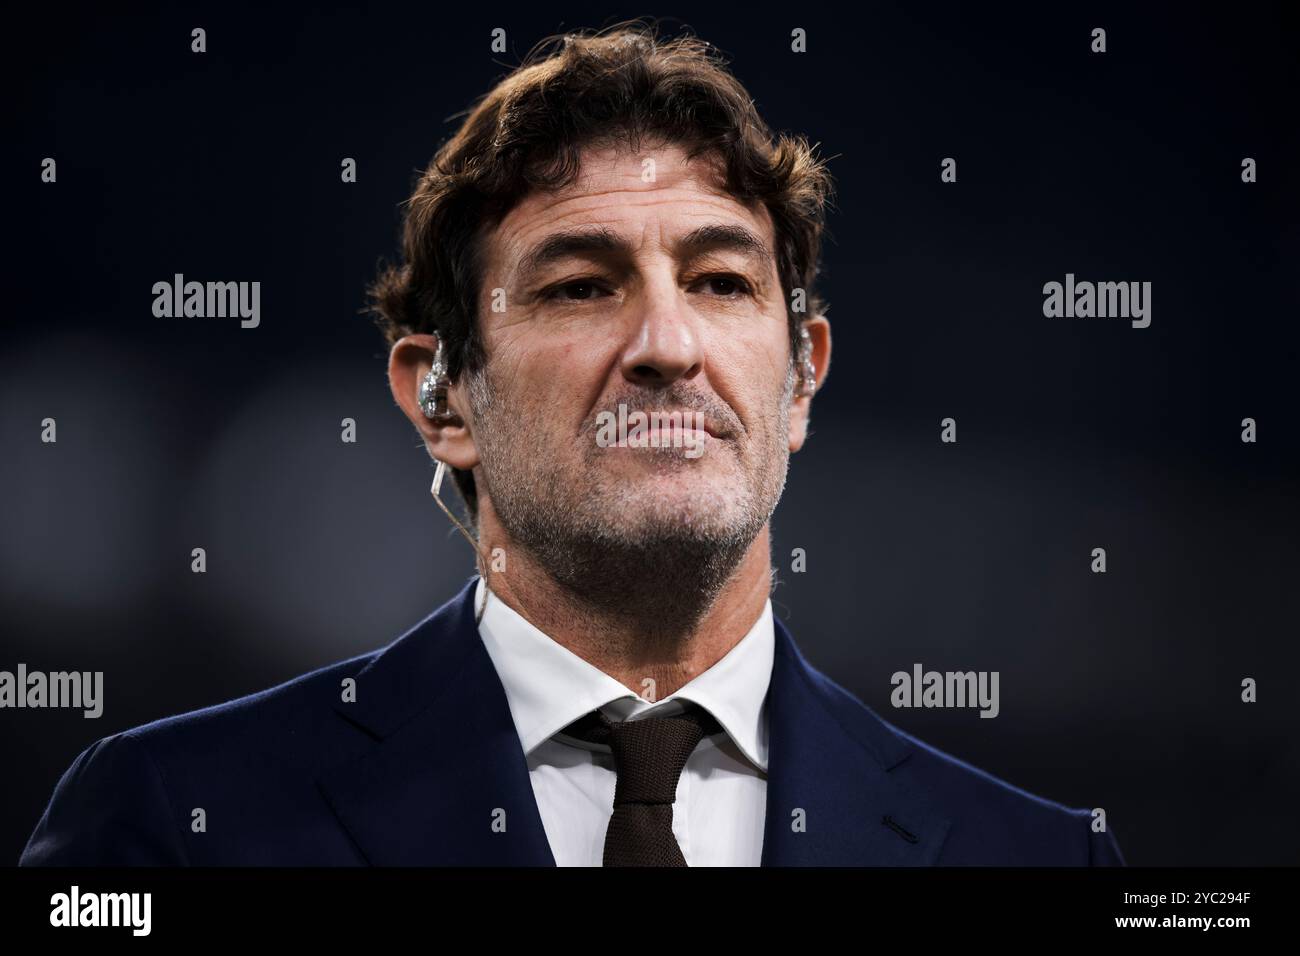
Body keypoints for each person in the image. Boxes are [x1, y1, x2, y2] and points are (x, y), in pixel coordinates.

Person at [20, 25, 1124, 867]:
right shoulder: (174, 820)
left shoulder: (1036, 855)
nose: (665, 343)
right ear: (441, 398)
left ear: (799, 379)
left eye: (722, 281)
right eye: (581, 285)